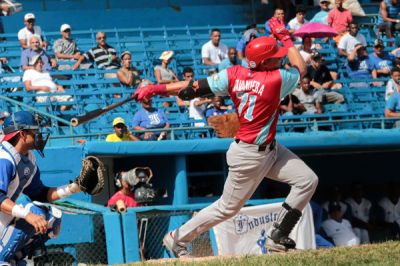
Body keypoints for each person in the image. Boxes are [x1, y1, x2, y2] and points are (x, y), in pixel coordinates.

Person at [133, 18, 318, 257]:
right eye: (275, 57)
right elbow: (301, 67)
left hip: (269, 149)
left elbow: (192, 87)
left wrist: (155, 89)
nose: (280, 58)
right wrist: (284, 36)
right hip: (249, 155)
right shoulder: (275, 79)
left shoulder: (234, 74)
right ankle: (176, 238)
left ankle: (278, 235)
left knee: (307, 180)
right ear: (264, 63)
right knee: (227, 208)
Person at [0, 111, 87, 263]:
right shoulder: (4, 158)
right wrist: (27, 215)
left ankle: (15, 259)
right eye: (35, 132)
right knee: (33, 212)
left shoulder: (28, 159)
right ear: (22, 134)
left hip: (4, 219)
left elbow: (40, 193)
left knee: (52, 217)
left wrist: (74, 188)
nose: (39, 136)